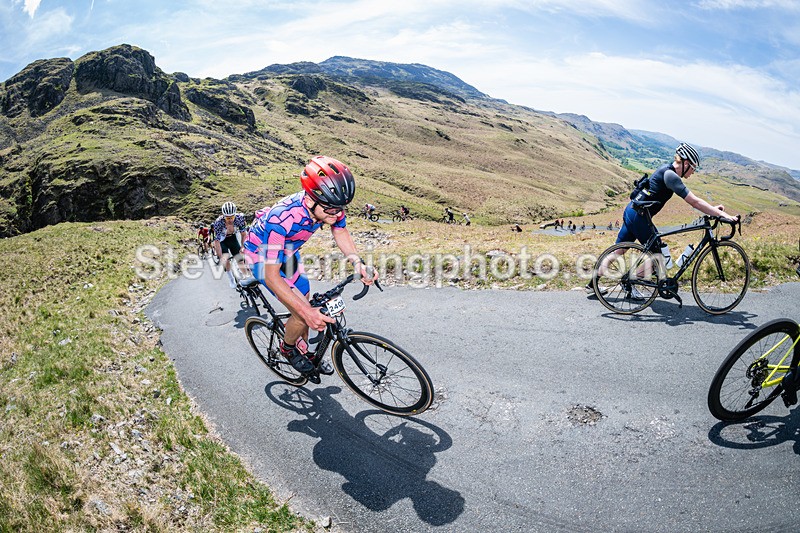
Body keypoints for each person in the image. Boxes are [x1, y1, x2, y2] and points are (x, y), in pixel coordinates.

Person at [243, 156, 377, 380]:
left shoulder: (329, 205)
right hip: (261, 257)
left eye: (340, 209)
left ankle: (302, 348)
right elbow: (272, 276)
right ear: (309, 200)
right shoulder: (281, 220)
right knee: (303, 311)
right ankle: (287, 348)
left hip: (288, 253)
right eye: (330, 210)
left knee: (304, 294)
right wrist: (304, 312)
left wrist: (358, 263)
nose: (336, 215)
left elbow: (340, 231)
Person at [588, 142, 738, 296]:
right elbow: (695, 201)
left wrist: (714, 210)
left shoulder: (667, 170)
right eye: (693, 168)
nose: (693, 172)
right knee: (659, 258)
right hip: (639, 216)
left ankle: (593, 283)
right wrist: (723, 215)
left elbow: (697, 202)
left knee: (619, 249)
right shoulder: (671, 176)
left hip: (632, 210)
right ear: (686, 163)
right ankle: (631, 283)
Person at [212, 202, 248, 288]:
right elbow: (216, 242)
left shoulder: (239, 218)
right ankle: (231, 278)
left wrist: (243, 247)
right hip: (222, 240)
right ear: (223, 216)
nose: (230, 219)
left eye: (232, 217)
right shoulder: (218, 223)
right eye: (227, 218)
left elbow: (243, 234)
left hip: (232, 238)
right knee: (226, 260)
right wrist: (220, 256)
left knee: (240, 258)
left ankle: (246, 276)